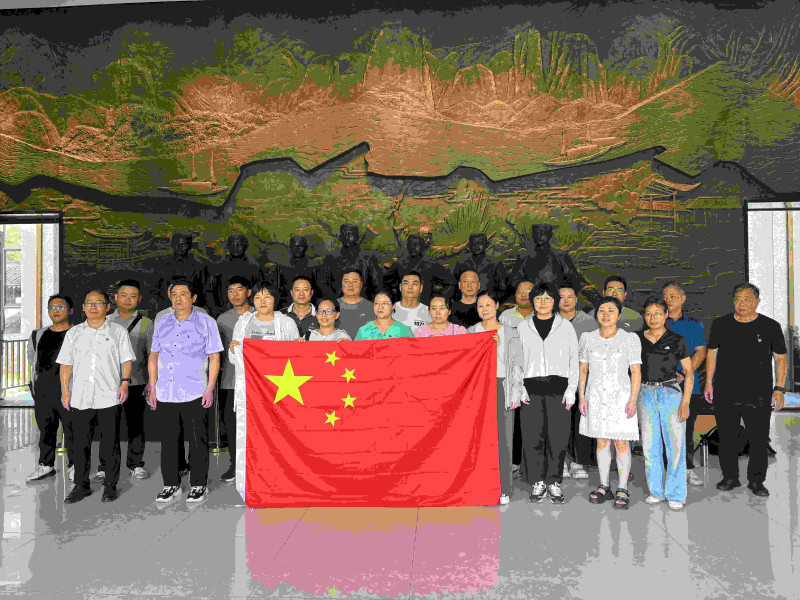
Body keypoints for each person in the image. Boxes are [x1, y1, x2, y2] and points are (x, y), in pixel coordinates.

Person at [705, 282, 787, 497]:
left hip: (758, 393)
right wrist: (708, 382)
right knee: (727, 438)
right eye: (738, 299)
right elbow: (712, 353)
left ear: (757, 302)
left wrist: (779, 388)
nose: (741, 303)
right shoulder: (721, 324)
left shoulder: (770, 326)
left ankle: (757, 481)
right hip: (725, 390)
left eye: (747, 299)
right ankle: (730, 477)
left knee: (758, 439)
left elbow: (780, 359)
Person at [148, 278, 223, 504]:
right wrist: (152, 386)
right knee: (169, 440)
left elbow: (214, 357)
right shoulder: (162, 322)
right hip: (166, 390)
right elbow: (154, 356)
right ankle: (170, 484)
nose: (178, 299)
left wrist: (210, 388)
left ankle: (198, 484)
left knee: (198, 439)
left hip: (195, 389)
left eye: (183, 294)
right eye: (174, 295)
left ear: (193, 298)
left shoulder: (206, 321)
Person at [57, 290, 135, 504]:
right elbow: (66, 364)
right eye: (88, 303)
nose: (93, 307)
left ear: (107, 307)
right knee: (79, 443)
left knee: (110, 444)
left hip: (109, 395)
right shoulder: (74, 333)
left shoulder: (118, 331)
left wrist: (125, 382)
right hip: (80, 396)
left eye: (98, 303)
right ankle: (81, 485)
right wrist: (65, 390)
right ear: (83, 307)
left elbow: (126, 360)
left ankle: (110, 485)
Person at [229, 281, 300, 500]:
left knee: (279, 437)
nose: (262, 301)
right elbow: (234, 358)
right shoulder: (244, 322)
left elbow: (296, 359)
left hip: (279, 391)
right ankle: (252, 483)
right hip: (251, 392)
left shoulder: (286, 323)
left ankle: (281, 480)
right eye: (258, 297)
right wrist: (234, 349)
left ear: (275, 299)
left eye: (267, 297)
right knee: (251, 439)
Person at [516, 282, 579, 504]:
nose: (543, 303)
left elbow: (574, 359)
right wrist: (520, 387)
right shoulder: (523, 327)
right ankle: (537, 481)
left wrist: (572, 390)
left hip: (559, 390)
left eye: (548, 298)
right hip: (530, 390)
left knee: (557, 438)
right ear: (532, 301)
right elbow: (517, 361)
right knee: (533, 437)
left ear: (555, 302)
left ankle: (553, 482)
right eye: (539, 298)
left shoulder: (566, 326)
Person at [578, 296, 642, 509]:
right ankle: (604, 485)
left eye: (611, 310)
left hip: (621, 398)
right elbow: (583, 370)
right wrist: (582, 396)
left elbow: (635, 371)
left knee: (621, 442)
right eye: (602, 310)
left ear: (619, 315)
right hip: (596, 396)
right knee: (602, 441)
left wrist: (633, 399)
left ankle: (622, 488)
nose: (606, 314)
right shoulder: (587, 338)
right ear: (596, 314)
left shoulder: (629, 338)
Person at [467, 291, 526, 505]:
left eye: (488, 305)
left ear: (497, 305)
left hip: (502, 386)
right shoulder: (471, 331)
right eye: (480, 306)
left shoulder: (510, 333)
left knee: (504, 439)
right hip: (478, 389)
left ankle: (504, 487)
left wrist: (517, 392)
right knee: (478, 438)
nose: (484, 309)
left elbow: (517, 364)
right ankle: (480, 485)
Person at [638, 296, 693, 511]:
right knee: (650, 446)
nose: (653, 318)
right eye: (648, 314)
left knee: (675, 446)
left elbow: (688, 372)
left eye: (658, 314)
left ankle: (675, 493)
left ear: (666, 315)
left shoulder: (677, 340)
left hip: (670, 393)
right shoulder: (637, 339)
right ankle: (656, 491)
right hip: (645, 394)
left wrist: (685, 401)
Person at [102, 279, 153, 482]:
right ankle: (105, 466)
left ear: (139, 299)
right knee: (107, 426)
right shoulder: (105, 320)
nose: (127, 299)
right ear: (115, 297)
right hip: (108, 382)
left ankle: (136, 463)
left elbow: (152, 355)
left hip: (137, 382)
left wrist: (151, 383)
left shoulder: (147, 323)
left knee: (136, 425)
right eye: (123, 295)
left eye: (133, 296)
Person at [25, 295, 76, 484]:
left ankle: (75, 466)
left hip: (69, 391)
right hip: (44, 390)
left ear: (70, 310)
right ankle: (46, 465)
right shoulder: (38, 334)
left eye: (61, 307)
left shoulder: (77, 334)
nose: (56, 310)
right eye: (52, 307)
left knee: (73, 431)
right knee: (46, 430)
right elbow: (33, 359)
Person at [662, 281, 707, 487]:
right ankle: (667, 471)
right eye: (665, 296)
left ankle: (688, 469)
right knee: (664, 430)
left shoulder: (693, 325)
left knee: (686, 429)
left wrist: (683, 373)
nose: (668, 300)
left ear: (683, 299)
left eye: (672, 296)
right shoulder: (657, 322)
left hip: (688, 385)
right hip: (662, 384)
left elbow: (701, 352)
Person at [215, 276, 254, 483]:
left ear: (249, 292)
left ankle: (256, 465)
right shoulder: (222, 320)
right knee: (232, 426)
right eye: (230, 290)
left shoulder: (259, 315)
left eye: (239, 289)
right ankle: (235, 465)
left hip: (256, 383)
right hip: (230, 381)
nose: (235, 294)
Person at [559, 284, 599, 480]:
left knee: (579, 422)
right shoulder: (551, 320)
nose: (566, 300)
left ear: (576, 299)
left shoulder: (589, 322)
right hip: (559, 380)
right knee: (560, 423)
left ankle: (578, 462)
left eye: (570, 296)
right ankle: (561, 462)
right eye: (562, 296)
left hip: (582, 380)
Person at [509, 223, 593, 304]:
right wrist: (529, 286)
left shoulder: (561, 256)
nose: (539, 236)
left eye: (542, 233)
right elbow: (514, 282)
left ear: (550, 235)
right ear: (532, 235)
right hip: (531, 302)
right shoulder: (524, 257)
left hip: (556, 302)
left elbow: (573, 281)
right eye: (536, 233)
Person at [384, 233, 456, 304]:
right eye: (410, 244)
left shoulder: (431, 265)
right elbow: (385, 282)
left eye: (416, 244)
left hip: (425, 305)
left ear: (423, 246)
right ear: (407, 246)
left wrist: (438, 299)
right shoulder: (399, 264)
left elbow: (451, 283)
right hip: (403, 305)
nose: (413, 247)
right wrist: (393, 299)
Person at [318, 223, 384, 300]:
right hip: (338, 302)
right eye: (344, 234)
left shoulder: (368, 258)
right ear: (340, 237)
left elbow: (377, 285)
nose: (347, 237)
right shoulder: (331, 258)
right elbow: (323, 284)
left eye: (351, 234)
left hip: (363, 303)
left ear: (357, 237)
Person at [208, 234, 263, 316]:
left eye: (239, 245)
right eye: (232, 245)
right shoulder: (220, 266)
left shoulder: (254, 267)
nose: (235, 248)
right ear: (228, 246)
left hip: (248, 311)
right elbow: (212, 289)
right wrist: (216, 309)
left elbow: (259, 290)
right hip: (224, 310)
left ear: (245, 247)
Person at [454, 232, 510, 302]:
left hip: (489, 302)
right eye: (473, 243)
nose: (476, 246)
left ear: (486, 244)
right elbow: (455, 287)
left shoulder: (496, 263)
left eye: (480, 243)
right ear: (469, 245)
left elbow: (503, 289)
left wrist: (490, 299)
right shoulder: (461, 263)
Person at [275, 235, 318, 307]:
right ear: (290, 248)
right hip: (286, 307)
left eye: (300, 246)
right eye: (294, 246)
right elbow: (277, 290)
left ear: (306, 247)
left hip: (308, 306)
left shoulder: (313, 267)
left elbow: (319, 292)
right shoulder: (282, 267)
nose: (297, 249)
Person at [337, 269, 373, 339]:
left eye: (354, 281)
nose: (350, 285)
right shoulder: (332, 306)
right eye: (346, 281)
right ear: (342, 284)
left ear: (361, 284)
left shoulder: (372, 307)